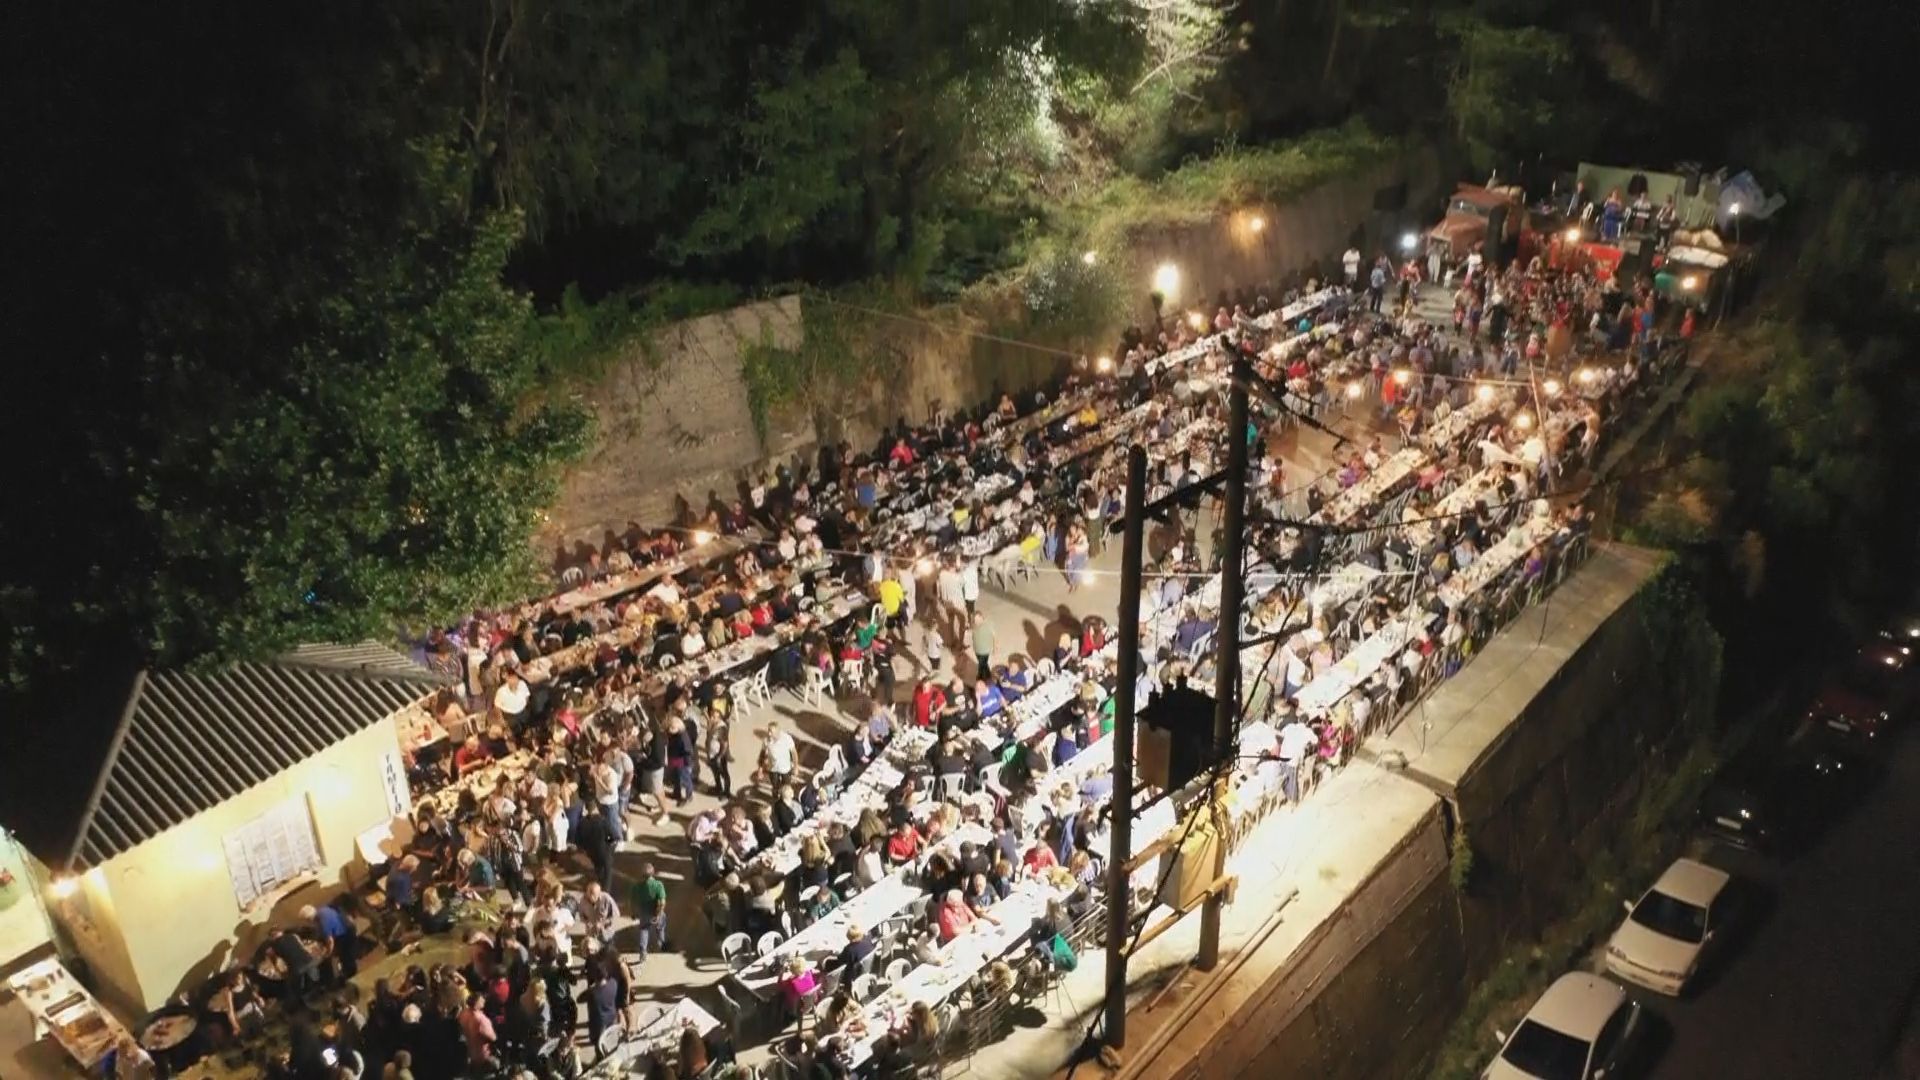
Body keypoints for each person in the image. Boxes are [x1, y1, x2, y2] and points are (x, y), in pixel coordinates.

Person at [301, 902, 359, 981]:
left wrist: (328, 953)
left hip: (345, 934)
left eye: (307, 920)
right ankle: (350, 972)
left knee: (346, 956)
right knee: (347, 955)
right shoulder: (323, 909)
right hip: (348, 927)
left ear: (309, 918)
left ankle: (351, 975)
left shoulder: (322, 922)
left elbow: (330, 941)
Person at [631, 862, 669, 961]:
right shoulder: (658, 885)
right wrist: (659, 913)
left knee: (644, 930)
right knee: (661, 927)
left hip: (644, 913)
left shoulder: (637, 886)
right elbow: (662, 902)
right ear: (653, 873)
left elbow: (632, 902)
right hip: (656, 912)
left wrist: (634, 913)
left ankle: (643, 951)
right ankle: (661, 942)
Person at [459, 992, 499, 1071]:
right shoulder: (481, 1019)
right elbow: (493, 1038)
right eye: (482, 1000)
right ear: (477, 1003)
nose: (484, 1000)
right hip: (483, 1057)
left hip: (470, 1055)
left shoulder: (463, 1014)